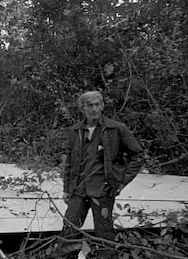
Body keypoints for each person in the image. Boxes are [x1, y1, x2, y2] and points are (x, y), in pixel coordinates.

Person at [61, 91, 143, 242]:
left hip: (103, 189)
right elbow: (69, 162)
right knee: (69, 227)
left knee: (104, 230)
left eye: (97, 105)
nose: (94, 109)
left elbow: (137, 155)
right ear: (82, 108)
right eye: (89, 105)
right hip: (79, 188)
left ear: (102, 106)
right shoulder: (75, 131)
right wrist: (66, 188)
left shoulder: (116, 129)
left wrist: (122, 181)